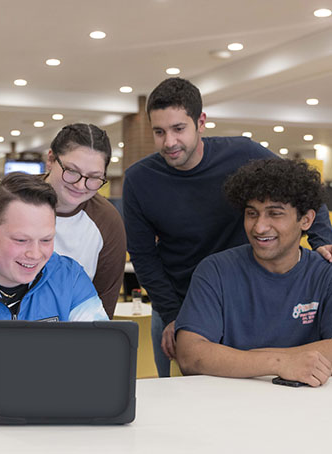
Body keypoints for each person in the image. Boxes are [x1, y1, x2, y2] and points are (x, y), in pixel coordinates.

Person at [122, 77, 332, 377]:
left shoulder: (242, 154)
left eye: (178, 129)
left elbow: (302, 191)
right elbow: (143, 255)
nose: (169, 142)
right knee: (180, 390)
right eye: (159, 132)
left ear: (201, 122)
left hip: (244, 295)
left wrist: (323, 239)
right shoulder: (139, 180)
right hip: (178, 302)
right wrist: (172, 316)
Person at [176, 159, 332, 387]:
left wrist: (236, 359)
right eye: (252, 214)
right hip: (226, 408)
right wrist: (280, 362)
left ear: (306, 220)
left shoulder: (325, 274)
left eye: (275, 214)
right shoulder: (215, 271)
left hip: (306, 411)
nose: (259, 227)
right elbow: (190, 355)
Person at [0, 172, 108, 401]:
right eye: (20, 240)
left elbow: (103, 358)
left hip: (51, 420)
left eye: (46, 240)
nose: (34, 254)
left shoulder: (69, 277)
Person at [0, 123, 126, 319]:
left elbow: (101, 307)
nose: (80, 185)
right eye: (72, 171)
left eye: (94, 177)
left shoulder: (106, 222)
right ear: (51, 159)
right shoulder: (2, 199)